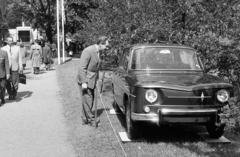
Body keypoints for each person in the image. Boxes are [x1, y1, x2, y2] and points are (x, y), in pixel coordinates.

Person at [77, 36, 110, 126]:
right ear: (101, 44)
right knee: (88, 100)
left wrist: (97, 80)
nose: (107, 48)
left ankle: (84, 119)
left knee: (88, 100)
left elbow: (96, 68)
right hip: (86, 80)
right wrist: (84, 82)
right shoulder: (88, 51)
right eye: (106, 46)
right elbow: (82, 68)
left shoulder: (98, 51)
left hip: (92, 79)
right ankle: (92, 120)